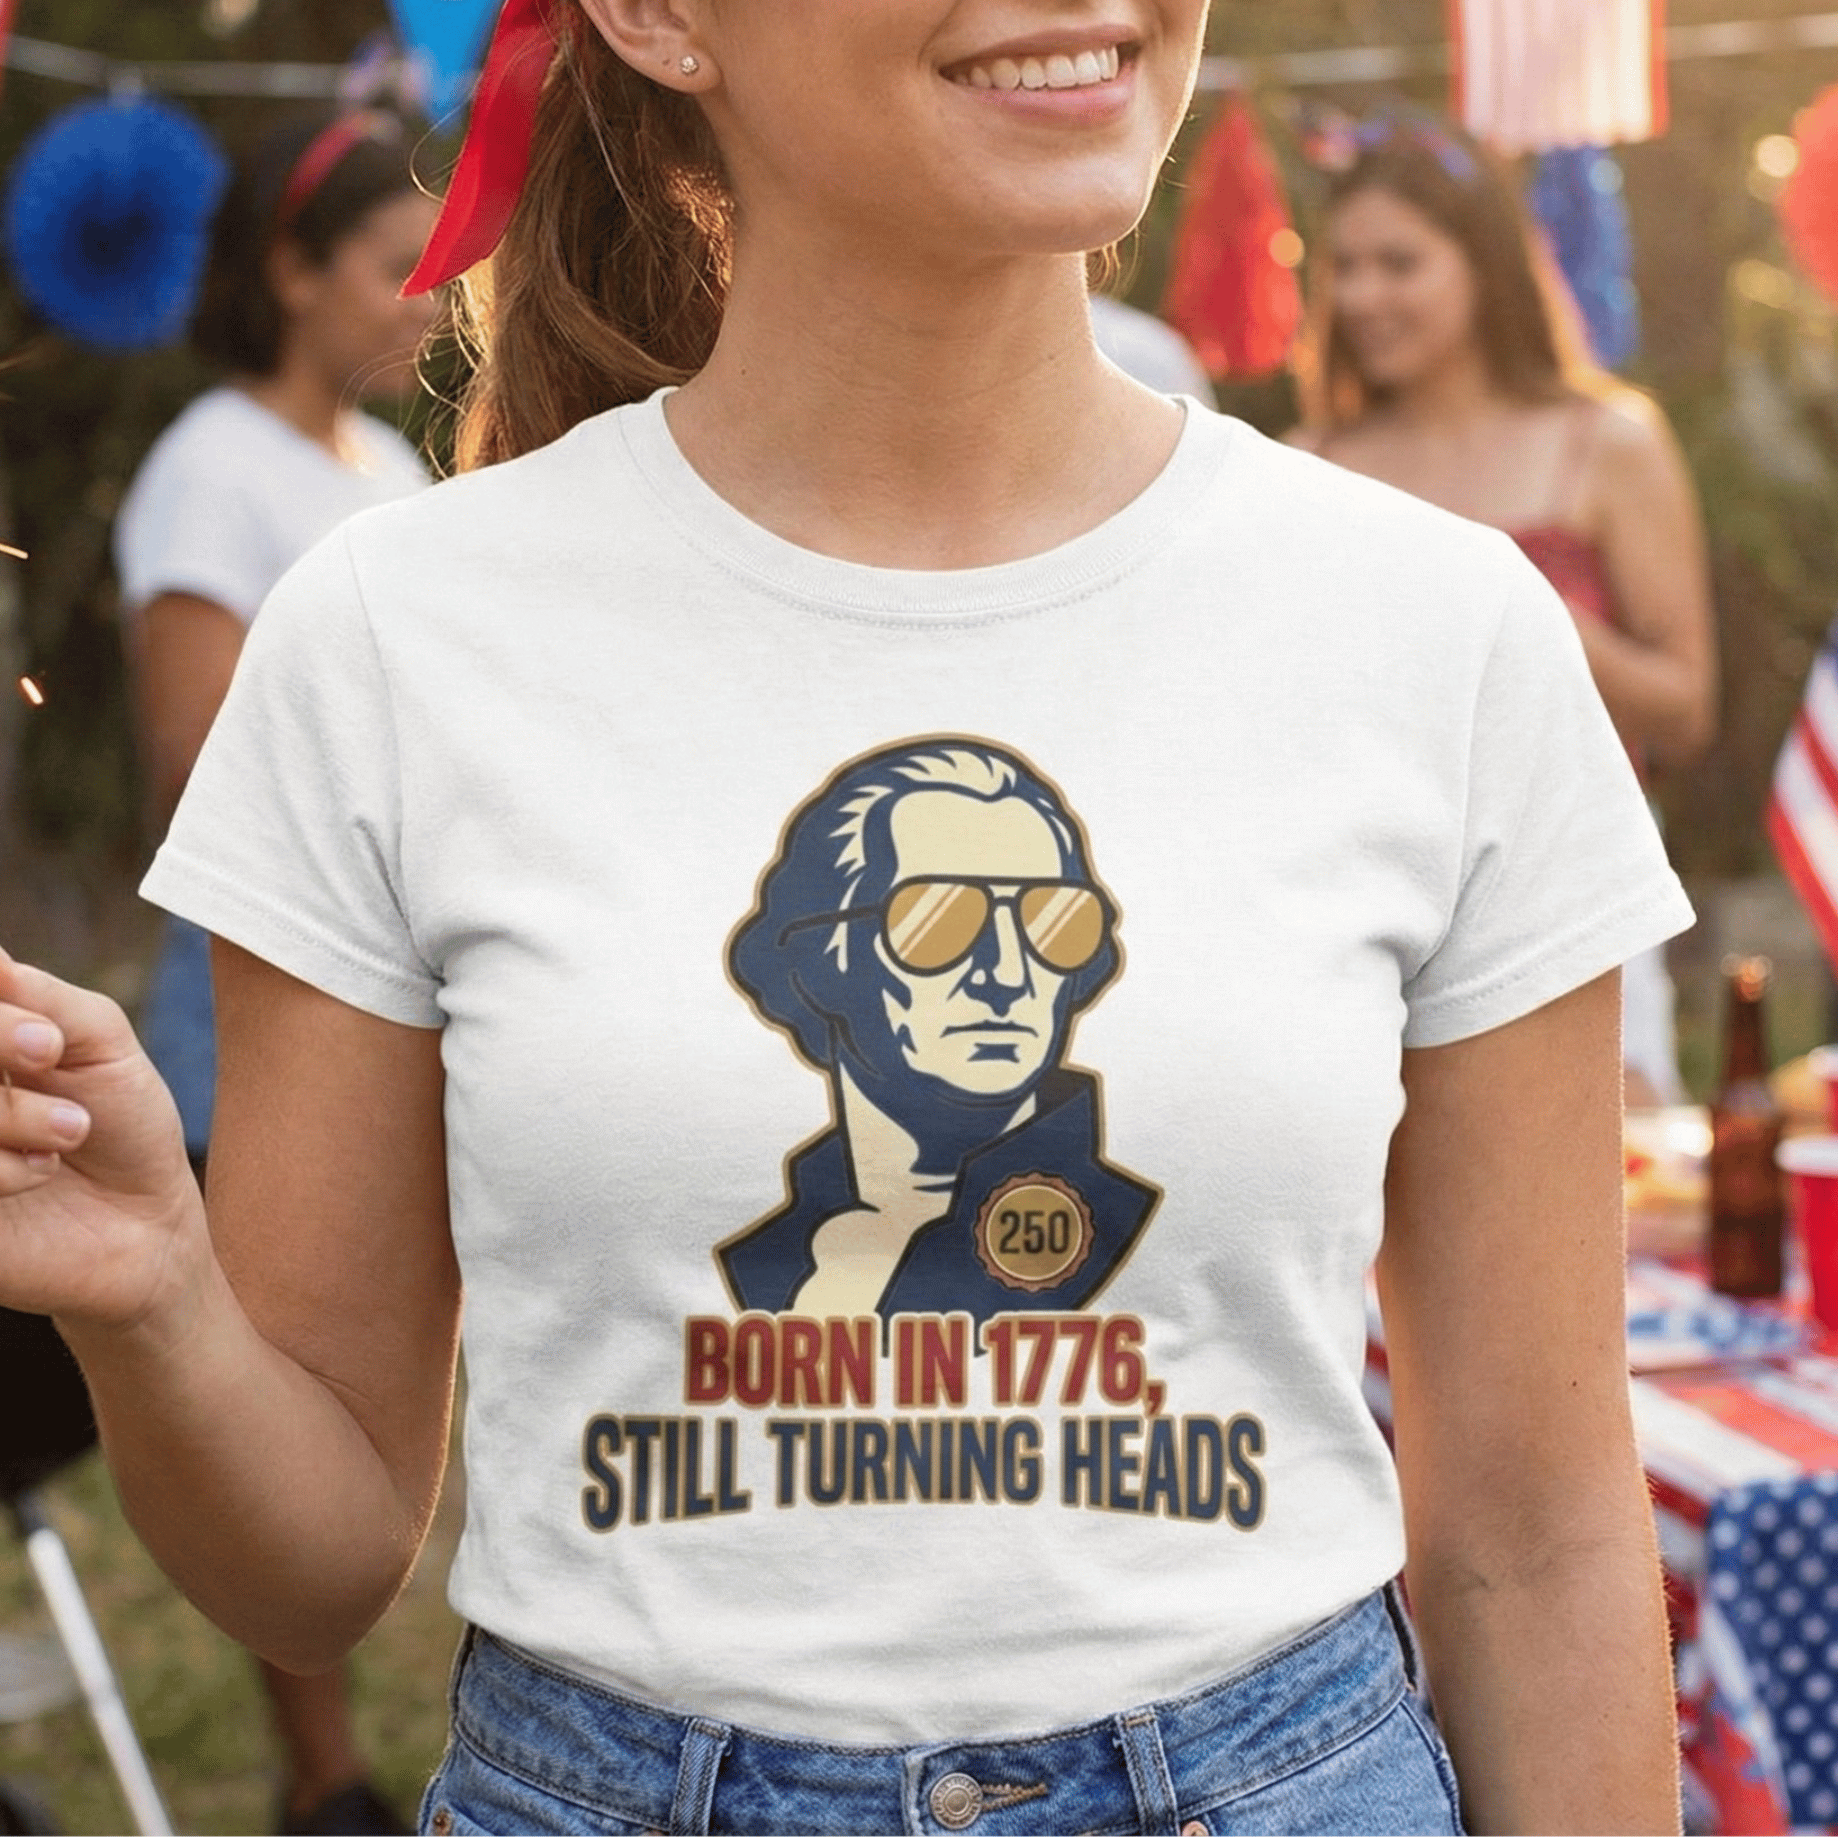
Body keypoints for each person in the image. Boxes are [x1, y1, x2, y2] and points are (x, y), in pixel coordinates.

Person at [1, 4, 1691, 1834]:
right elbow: (308, 1569)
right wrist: (159, 1303)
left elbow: (1535, 1536)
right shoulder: (395, 640)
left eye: (1041, 930)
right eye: (938, 917)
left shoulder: (1434, 632)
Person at [110, 107, 437, 1837]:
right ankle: (325, 1782)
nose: (429, 300)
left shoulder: (389, 476)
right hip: (258, 1009)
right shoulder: (211, 469)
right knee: (285, 1372)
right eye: (397, 265)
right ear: (290, 272)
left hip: (406, 999)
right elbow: (190, 774)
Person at [1288, 116, 1718, 1107]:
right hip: (1367, 894)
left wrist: (1527, 616)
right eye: (1343, 266)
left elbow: (1686, 707)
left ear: (1483, 265)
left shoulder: (1604, 439)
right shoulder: (1307, 463)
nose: (1361, 296)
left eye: (1398, 263)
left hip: (1571, 890)